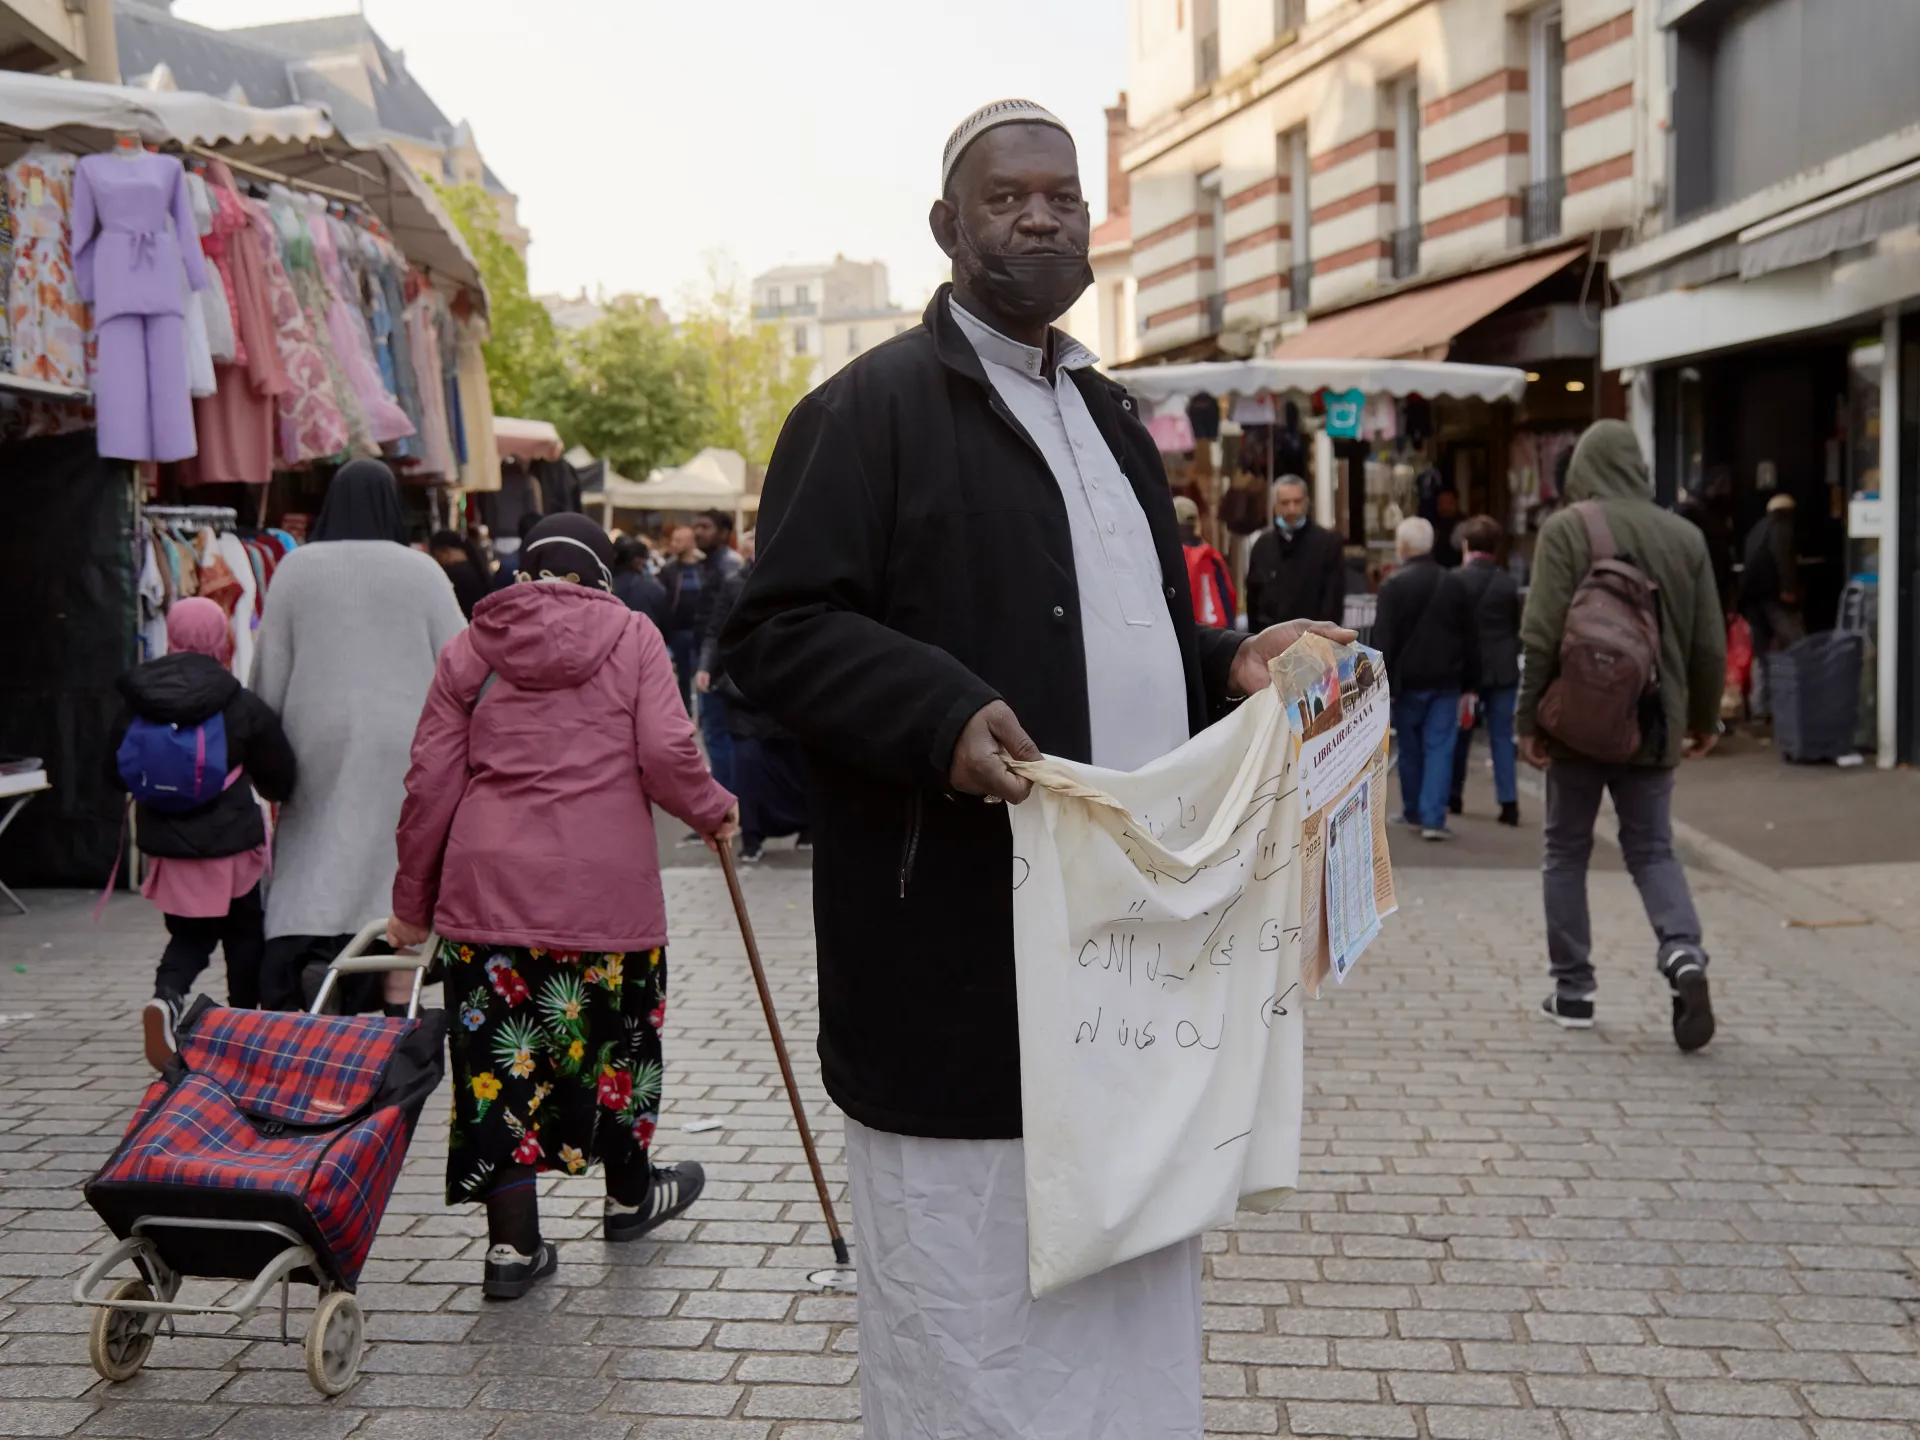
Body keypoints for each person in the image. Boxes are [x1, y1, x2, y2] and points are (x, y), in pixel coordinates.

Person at [721, 99, 1350, 1440]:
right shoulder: (865, 409)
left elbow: (1121, 637)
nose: (1042, 216)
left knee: (1124, 1289)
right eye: (1008, 197)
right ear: (947, 227)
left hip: (1122, 957)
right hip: (956, 953)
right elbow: (771, 638)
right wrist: (935, 712)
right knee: (971, 1305)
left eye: (1063, 196)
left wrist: (1227, 660)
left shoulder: (1116, 418)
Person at [388, 514, 738, 1300]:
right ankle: (626, 1198)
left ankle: (512, 1253)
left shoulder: (472, 646)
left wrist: (412, 904)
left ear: (524, 570)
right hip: (605, 897)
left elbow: (430, 782)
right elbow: (667, 752)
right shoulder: (636, 637)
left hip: (488, 899)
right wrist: (712, 810)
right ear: (602, 574)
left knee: (498, 1074)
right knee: (618, 1054)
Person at [1518, 420, 1726, 1051]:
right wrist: (1702, 719)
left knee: (1566, 852)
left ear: (1581, 468)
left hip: (1579, 724)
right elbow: (1707, 643)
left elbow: (1540, 634)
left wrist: (1528, 721)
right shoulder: (1685, 536)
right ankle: (1683, 953)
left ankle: (1574, 990)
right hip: (1655, 722)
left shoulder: (1565, 529)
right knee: (1653, 850)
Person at [250, 458, 467, 1011]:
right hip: (408, 736)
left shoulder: (296, 569)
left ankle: (310, 956)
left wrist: (268, 743)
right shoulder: (421, 571)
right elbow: (461, 661)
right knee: (393, 852)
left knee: (317, 843)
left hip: (314, 732)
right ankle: (391, 972)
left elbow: (269, 668)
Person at [111, 597, 298, 1068]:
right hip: (232, 844)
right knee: (244, 934)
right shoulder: (237, 701)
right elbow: (279, 777)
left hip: (168, 845)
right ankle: (246, 1024)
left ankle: (166, 998)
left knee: (189, 936)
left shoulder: (138, 700)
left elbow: (113, 772)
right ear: (222, 635)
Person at [1373, 515, 1476, 841]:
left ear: (1401, 547)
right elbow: (1469, 637)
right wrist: (1472, 681)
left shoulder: (1392, 586)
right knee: (1440, 747)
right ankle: (1433, 818)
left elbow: (1384, 639)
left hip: (1406, 681)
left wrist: (1380, 682)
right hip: (1446, 680)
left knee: (1411, 746)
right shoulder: (1453, 583)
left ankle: (1413, 810)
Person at [1447, 514, 1522, 826]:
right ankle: (1508, 803)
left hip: (1466, 670)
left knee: (1460, 732)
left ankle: (1454, 795)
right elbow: (1515, 625)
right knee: (1502, 736)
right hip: (1503, 668)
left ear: (1466, 544)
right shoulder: (1508, 584)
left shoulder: (1454, 580)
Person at [686, 509, 745, 790]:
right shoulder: (713, 564)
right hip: (712, 663)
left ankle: (725, 806)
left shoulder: (727, 568)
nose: (698, 531)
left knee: (718, 735)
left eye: (706, 526)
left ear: (724, 533)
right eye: (696, 525)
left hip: (719, 668)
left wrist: (710, 666)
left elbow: (723, 625)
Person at [1244, 474, 1346, 629]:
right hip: (1272, 644)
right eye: (1285, 503)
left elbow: (1333, 602)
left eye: (1297, 502)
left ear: (1306, 503)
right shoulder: (1262, 546)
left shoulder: (1327, 544)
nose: (1292, 509)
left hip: (1314, 642)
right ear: (1275, 506)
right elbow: (1253, 601)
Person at [1739, 493, 1804, 715]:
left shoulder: (1757, 529)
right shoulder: (1782, 526)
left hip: (1752, 599)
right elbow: (1782, 555)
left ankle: (1760, 707)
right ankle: (1802, 700)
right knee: (1799, 646)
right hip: (1774, 597)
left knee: (1761, 653)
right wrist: (1789, 588)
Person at [658, 524, 706, 709]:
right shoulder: (668, 570)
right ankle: (684, 714)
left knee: (701, 673)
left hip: (700, 630)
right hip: (677, 631)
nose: (673, 544)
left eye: (678, 540)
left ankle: (702, 715)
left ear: (690, 542)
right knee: (682, 677)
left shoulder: (704, 568)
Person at [1173, 495, 1236, 626]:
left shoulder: (1174, 557)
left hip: (1189, 635)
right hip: (1218, 634)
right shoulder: (1212, 556)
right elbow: (1228, 600)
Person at [612, 535, 671, 634]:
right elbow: (666, 623)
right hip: (646, 643)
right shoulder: (653, 588)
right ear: (639, 561)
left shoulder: (602, 586)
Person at [430, 528, 489, 621]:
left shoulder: (450, 574)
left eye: (438, 556)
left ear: (445, 552)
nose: (438, 561)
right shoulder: (477, 566)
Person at [1431, 488, 1464, 567]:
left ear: (1454, 503)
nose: (1440, 505)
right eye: (1439, 502)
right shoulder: (1434, 522)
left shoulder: (1463, 524)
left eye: (1443, 502)